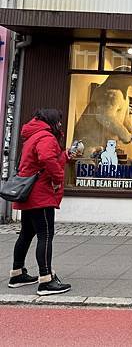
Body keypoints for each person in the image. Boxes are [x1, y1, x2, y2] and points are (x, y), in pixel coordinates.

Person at [9, 109, 74, 295]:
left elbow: (43, 160)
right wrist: (58, 176)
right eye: (59, 122)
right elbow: (46, 159)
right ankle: (46, 280)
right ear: (52, 121)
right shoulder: (46, 137)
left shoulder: (33, 135)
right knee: (45, 234)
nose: (60, 125)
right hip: (40, 194)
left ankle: (17, 273)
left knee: (27, 233)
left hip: (28, 192)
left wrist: (65, 156)